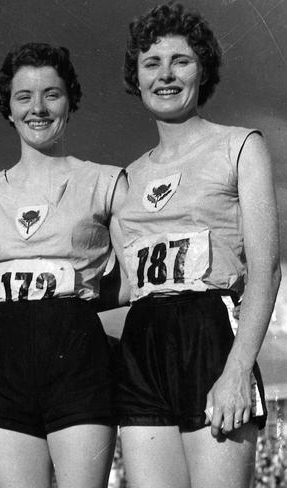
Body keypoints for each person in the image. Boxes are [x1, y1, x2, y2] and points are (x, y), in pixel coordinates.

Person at [115, 4, 280, 488]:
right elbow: (126, 284)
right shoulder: (129, 175)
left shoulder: (240, 146)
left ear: (202, 69)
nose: (165, 75)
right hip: (143, 343)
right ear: (137, 77)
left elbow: (266, 268)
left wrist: (237, 369)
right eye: (151, 63)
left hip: (211, 336)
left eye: (180, 61)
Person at [0, 42, 128, 488]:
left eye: (52, 94)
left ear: (70, 101)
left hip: (78, 359)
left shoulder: (107, 181)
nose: (38, 108)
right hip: (6, 363)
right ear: (8, 108)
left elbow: (135, 279)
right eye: (24, 96)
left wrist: (73, 304)